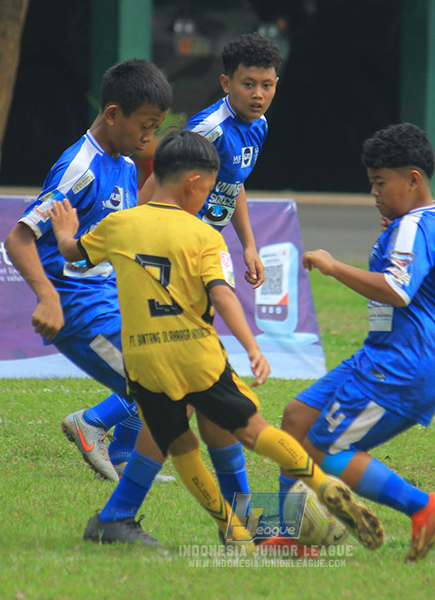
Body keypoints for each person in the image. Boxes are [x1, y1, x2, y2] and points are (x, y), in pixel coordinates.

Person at [48, 129, 383, 551]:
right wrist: (253, 347)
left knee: (183, 448)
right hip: (197, 357)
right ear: (193, 184)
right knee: (254, 430)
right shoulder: (204, 235)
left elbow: (73, 253)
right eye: (207, 191)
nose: (207, 200)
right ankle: (321, 483)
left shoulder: (120, 223)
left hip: (146, 363)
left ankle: (233, 528)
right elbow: (223, 295)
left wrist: (65, 231)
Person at [5, 59, 229, 546]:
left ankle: (122, 473)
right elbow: (19, 238)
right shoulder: (80, 168)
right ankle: (108, 478)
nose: (150, 138)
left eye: (156, 127)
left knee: (179, 385)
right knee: (172, 393)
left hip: (112, 303)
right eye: (146, 126)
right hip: (81, 312)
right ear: (112, 114)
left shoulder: (126, 165)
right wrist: (48, 297)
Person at [74, 32, 284, 504]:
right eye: (249, 84)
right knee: (183, 363)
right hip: (178, 251)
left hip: (203, 247)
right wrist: (139, 233)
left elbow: (233, 183)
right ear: (226, 83)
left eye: (268, 85)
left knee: (180, 363)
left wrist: (249, 244)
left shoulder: (258, 126)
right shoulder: (209, 128)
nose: (258, 94)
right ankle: (97, 422)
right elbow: (161, 183)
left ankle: (122, 450)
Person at [277, 123, 435, 563]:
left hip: (402, 363)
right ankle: (290, 533)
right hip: (383, 353)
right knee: (296, 419)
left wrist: (333, 266)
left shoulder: (411, 228)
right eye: (372, 184)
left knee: (326, 448)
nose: (374, 193)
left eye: (381, 183)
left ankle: (424, 506)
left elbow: (397, 290)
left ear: (412, 179)